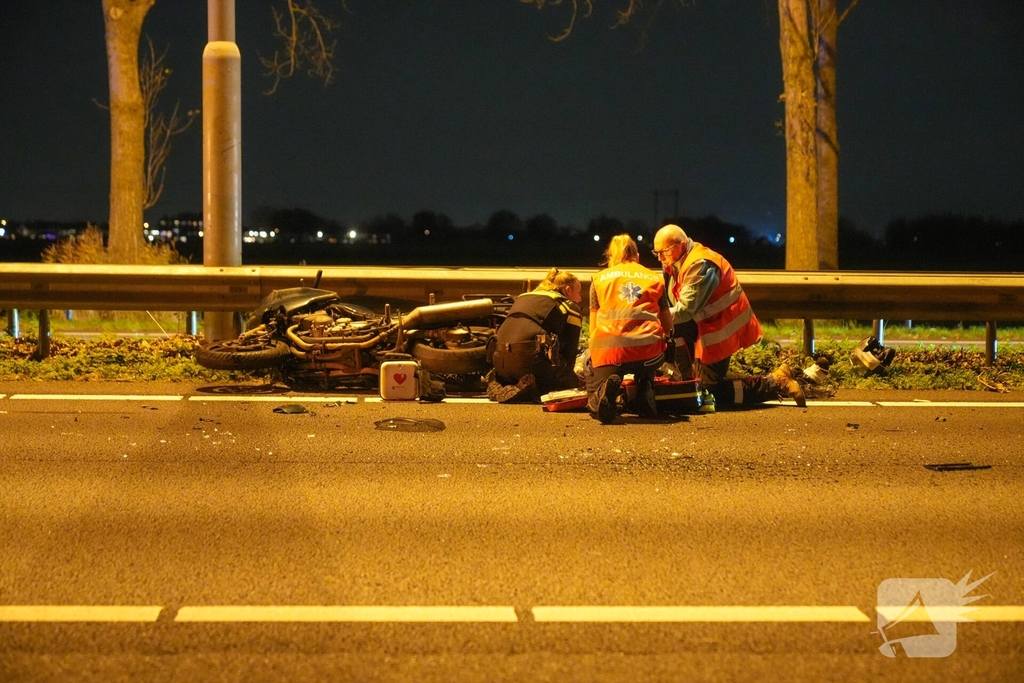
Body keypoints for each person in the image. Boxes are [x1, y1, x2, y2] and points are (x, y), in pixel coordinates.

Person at [652, 223, 805, 408]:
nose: (660, 257)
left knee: (710, 392)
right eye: (656, 252)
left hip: (721, 328)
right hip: (707, 326)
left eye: (664, 251)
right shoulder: (674, 262)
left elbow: (684, 310)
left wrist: (650, 320)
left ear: (681, 245)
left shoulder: (701, 264)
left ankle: (775, 383)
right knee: (696, 384)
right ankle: (688, 382)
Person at [586, 234, 675, 424]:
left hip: (610, 351)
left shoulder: (599, 279)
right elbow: (668, 325)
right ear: (637, 255)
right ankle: (645, 387)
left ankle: (602, 393)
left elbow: (593, 329)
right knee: (651, 348)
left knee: (592, 376)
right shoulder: (654, 278)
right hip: (648, 353)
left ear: (611, 256)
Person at [487, 268, 584, 402]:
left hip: (500, 362)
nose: (580, 298)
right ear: (568, 290)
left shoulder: (524, 297)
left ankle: (503, 382)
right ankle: (532, 389)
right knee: (567, 384)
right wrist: (570, 378)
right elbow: (570, 350)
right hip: (530, 363)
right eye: (578, 292)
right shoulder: (568, 305)